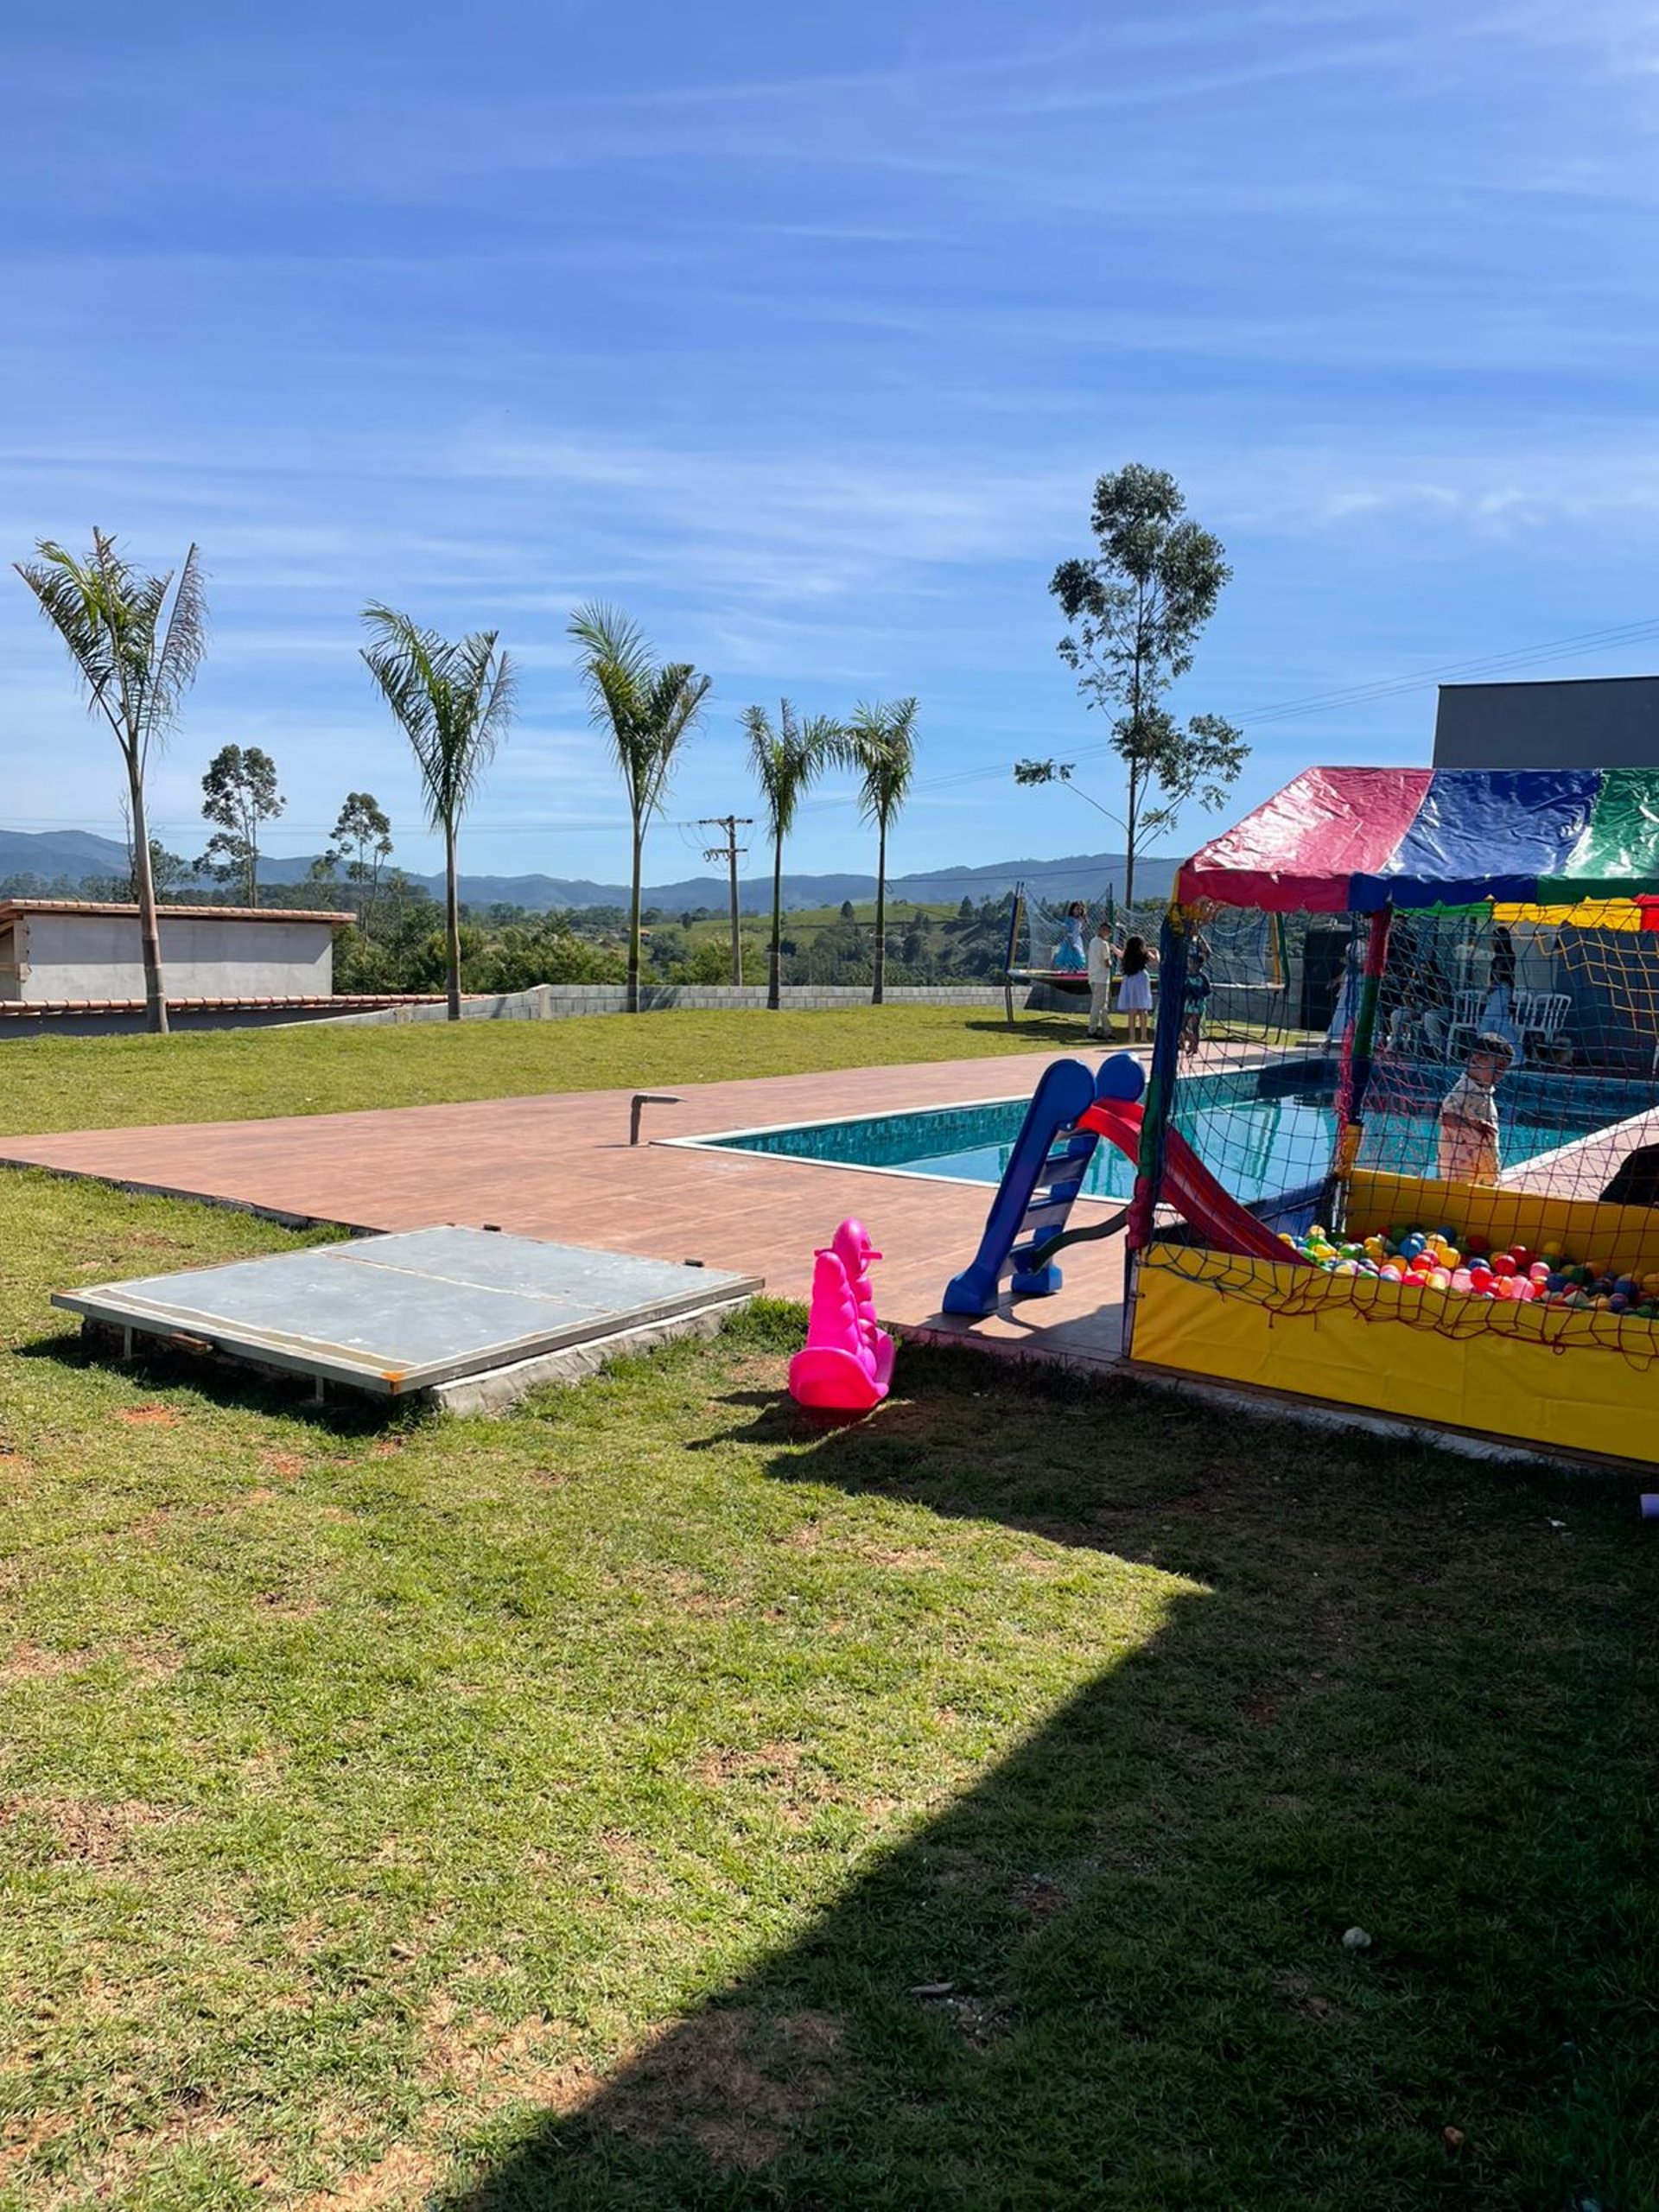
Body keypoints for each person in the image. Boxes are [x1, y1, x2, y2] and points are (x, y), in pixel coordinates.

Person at [1437, 1032, 1514, 1185]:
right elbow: (1447, 1119)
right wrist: (1475, 1126)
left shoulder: (1484, 1093)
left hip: (1481, 1176)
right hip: (1461, 1178)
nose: (1501, 1074)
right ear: (1476, 1059)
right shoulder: (1459, 1097)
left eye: (1504, 1070)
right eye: (1498, 1067)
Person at [1116, 931, 1156, 1046]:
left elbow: (1120, 954)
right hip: (1142, 978)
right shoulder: (1144, 954)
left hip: (1130, 980)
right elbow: (1155, 960)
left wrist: (1113, 948)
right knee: (1143, 1009)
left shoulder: (1127, 954)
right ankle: (1143, 1036)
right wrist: (1155, 951)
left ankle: (1132, 1037)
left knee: (1132, 1010)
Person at [1180, 938, 1212, 1059]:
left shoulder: (1202, 977)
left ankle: (1194, 1047)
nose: (1190, 965)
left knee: (1195, 1026)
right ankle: (1191, 1040)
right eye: (1189, 963)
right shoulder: (1187, 976)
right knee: (1182, 1025)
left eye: (1192, 963)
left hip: (1197, 1004)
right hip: (1188, 1004)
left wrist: (1197, 994)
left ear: (1198, 965)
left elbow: (1207, 991)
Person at [1086, 915, 1115, 1038]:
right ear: (1104, 931)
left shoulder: (1093, 942)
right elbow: (1107, 963)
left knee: (1103, 1006)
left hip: (1093, 976)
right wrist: (1112, 960)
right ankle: (1092, 1030)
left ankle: (1107, 1030)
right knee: (1097, 1006)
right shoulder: (1104, 944)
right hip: (1101, 979)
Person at [1052, 900, 1089, 972]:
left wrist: (1083, 918)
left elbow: (1081, 928)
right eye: (1077, 909)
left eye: (1080, 909)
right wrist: (1071, 941)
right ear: (1073, 910)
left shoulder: (1080, 920)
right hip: (1070, 940)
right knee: (1070, 955)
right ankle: (1069, 970)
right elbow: (1067, 930)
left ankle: (1077, 969)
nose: (1078, 911)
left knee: (1078, 955)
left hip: (1077, 939)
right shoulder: (1069, 919)